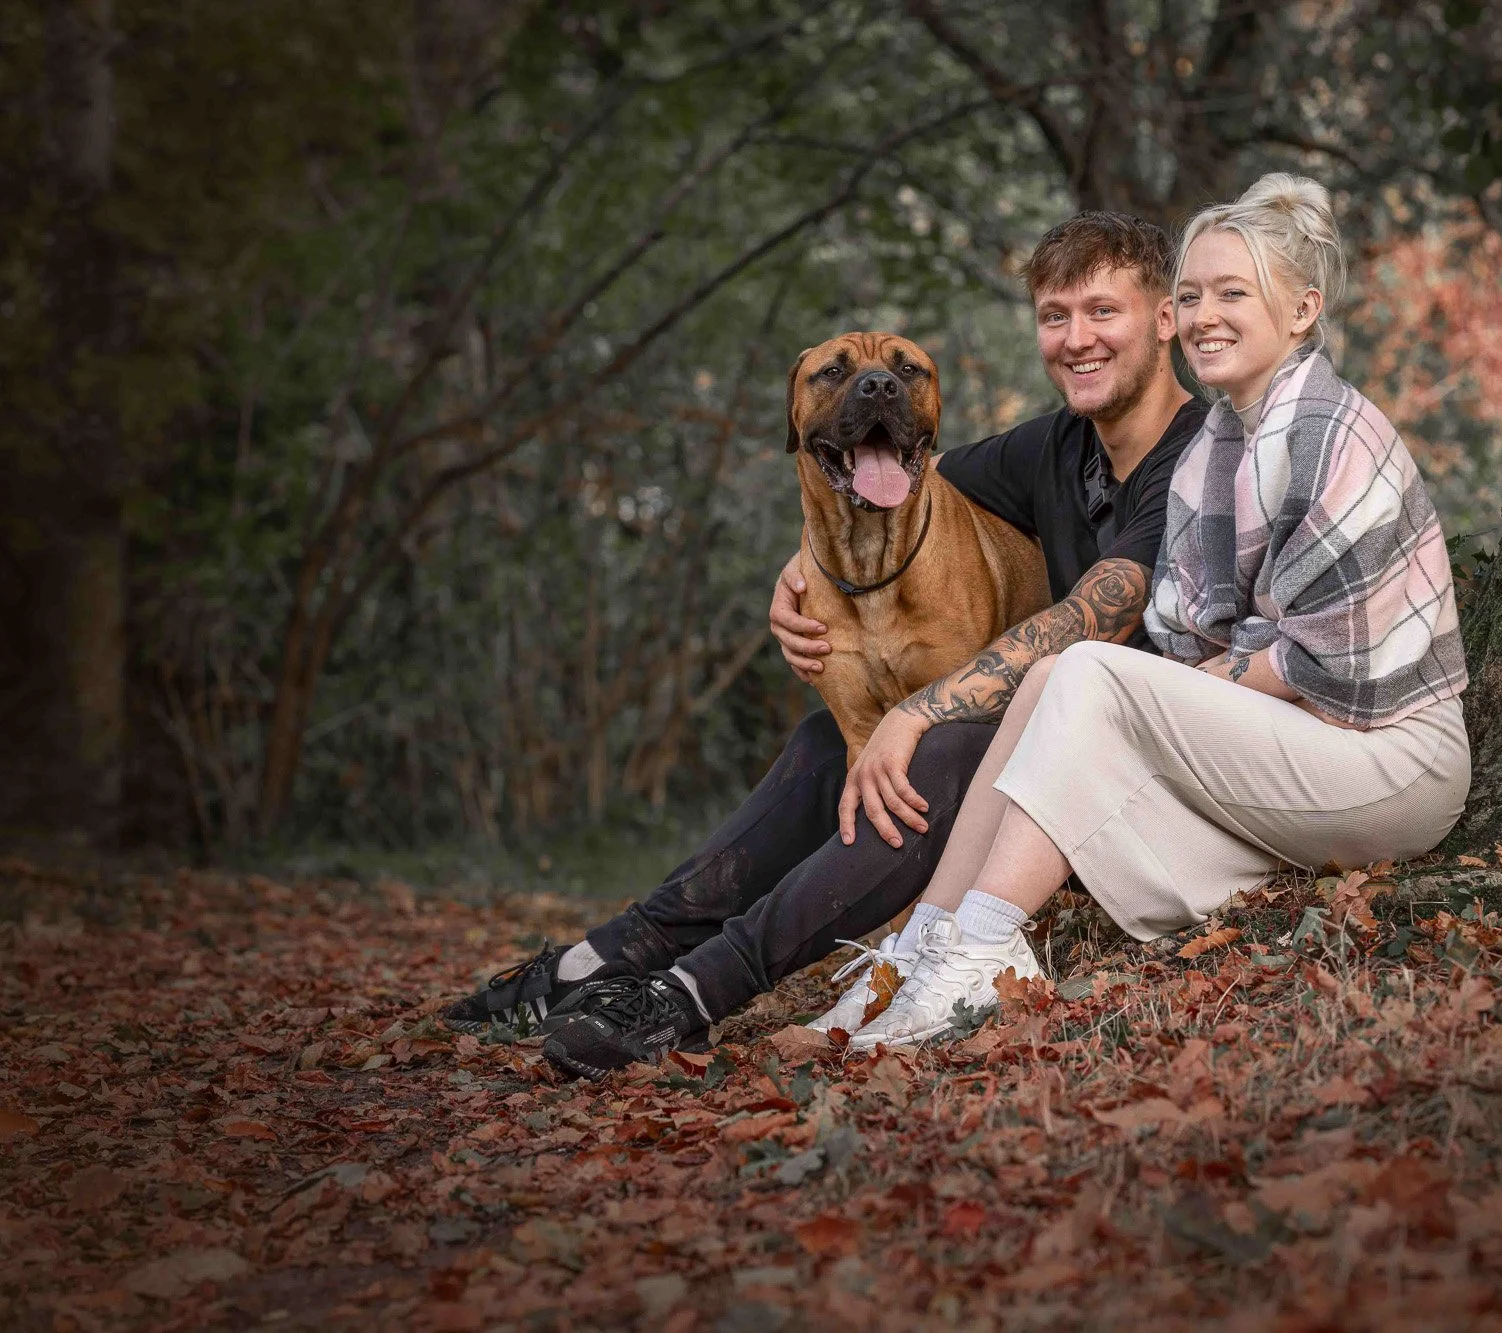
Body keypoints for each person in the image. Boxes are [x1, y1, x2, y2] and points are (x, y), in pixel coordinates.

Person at [439, 212, 1207, 1079]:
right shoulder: (1058, 445)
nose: (1076, 339)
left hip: (1156, 791)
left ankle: (693, 994)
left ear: (1167, 318)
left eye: (1103, 312)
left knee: (930, 752)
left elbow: (1096, 614)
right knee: (823, 742)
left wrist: (913, 711)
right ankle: (607, 958)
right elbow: (901, 481)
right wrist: (801, 571)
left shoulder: (1204, 458)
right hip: (1054, 779)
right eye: (1055, 316)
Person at [843, 173, 1474, 1048]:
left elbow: (1330, 659)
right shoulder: (1221, 442)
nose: (1206, 313)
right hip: (1304, 742)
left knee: (1094, 668)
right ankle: (919, 951)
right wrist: (809, 565)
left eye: (1232, 293)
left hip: (1395, 759)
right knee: (1069, 672)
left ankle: (981, 948)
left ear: (1301, 312)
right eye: (1192, 294)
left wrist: (1205, 679)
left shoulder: (1329, 428)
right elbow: (1190, 628)